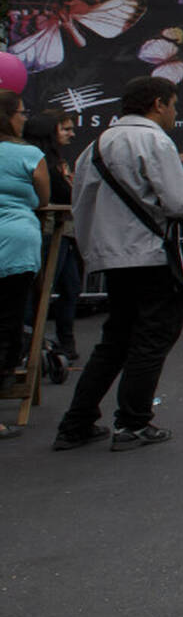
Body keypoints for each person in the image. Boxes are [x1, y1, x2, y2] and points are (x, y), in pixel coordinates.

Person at [53, 76, 183, 452]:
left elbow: (82, 206)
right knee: (152, 339)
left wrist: (94, 251)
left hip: (113, 257)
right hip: (152, 255)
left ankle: (77, 422)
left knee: (115, 340)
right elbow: (178, 203)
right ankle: (133, 423)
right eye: (173, 104)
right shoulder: (153, 140)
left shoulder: (96, 145)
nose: (175, 112)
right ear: (157, 104)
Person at [0, 91, 50, 438]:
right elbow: (43, 197)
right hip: (15, 247)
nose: (24, 118)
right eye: (21, 112)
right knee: (7, 327)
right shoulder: (29, 155)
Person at [23, 110, 81, 363]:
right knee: (40, 291)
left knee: (71, 287)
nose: (71, 134)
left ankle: (64, 341)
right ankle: (29, 346)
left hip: (64, 233)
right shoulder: (41, 161)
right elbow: (59, 194)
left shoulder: (57, 160)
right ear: (50, 132)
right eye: (65, 129)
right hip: (48, 232)